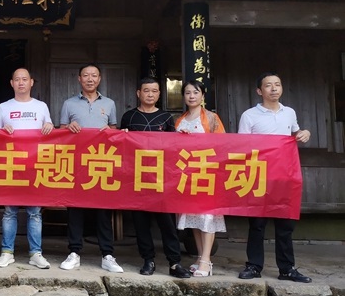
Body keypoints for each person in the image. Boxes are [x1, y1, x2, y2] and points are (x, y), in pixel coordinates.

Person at [237, 72, 312, 283]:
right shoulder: (249, 115)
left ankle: (287, 269)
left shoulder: (289, 113)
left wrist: (305, 133)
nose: (273, 89)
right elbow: (241, 146)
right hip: (259, 176)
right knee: (257, 224)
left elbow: (296, 133)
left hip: (284, 176)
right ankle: (253, 266)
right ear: (259, 91)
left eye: (277, 84)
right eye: (268, 85)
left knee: (285, 225)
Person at [120, 77, 191, 279]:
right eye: (146, 90)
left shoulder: (166, 118)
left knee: (167, 223)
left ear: (159, 94)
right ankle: (148, 260)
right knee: (141, 223)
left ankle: (174, 263)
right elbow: (122, 147)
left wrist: (182, 136)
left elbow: (173, 148)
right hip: (136, 178)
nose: (150, 94)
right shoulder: (129, 116)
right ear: (138, 93)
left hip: (161, 179)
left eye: (154, 91)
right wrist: (122, 135)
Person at [58, 64, 124, 273]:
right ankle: (74, 252)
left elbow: (114, 131)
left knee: (103, 211)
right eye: (85, 75)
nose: (90, 79)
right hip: (76, 164)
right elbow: (60, 132)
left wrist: (110, 131)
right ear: (79, 79)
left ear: (99, 79)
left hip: (101, 163)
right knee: (75, 209)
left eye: (94, 75)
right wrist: (68, 128)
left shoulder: (109, 103)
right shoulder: (69, 103)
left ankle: (107, 254)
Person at [0, 68, 54, 269]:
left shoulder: (41, 106)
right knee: (9, 212)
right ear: (11, 83)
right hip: (11, 166)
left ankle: (36, 253)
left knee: (34, 212)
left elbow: (50, 131)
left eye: (24, 79)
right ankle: (6, 252)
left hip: (35, 166)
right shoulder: (3, 107)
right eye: (17, 79)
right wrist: (2, 131)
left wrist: (49, 127)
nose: (21, 83)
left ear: (31, 82)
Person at [175, 80, 227, 278]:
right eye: (187, 92)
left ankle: (206, 260)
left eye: (195, 92)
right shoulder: (180, 120)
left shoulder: (212, 118)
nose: (191, 96)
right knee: (194, 218)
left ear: (202, 96)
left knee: (207, 217)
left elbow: (222, 144)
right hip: (187, 176)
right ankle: (199, 257)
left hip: (207, 173)